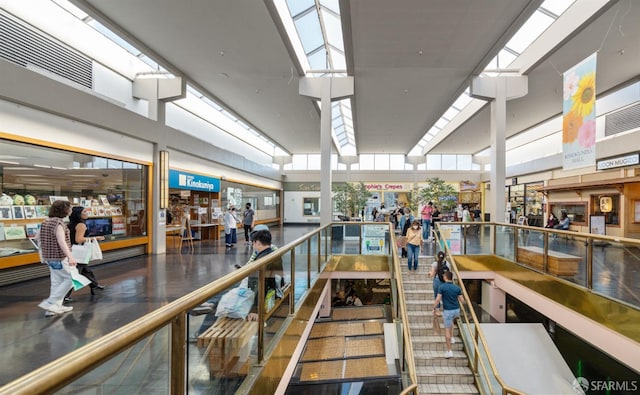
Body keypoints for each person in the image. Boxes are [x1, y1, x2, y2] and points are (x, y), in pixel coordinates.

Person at [37, 200, 77, 316]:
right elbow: (61, 241)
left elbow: (37, 237)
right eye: (70, 208)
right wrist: (70, 257)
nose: (71, 210)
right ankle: (51, 302)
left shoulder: (45, 222)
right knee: (71, 279)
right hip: (60, 257)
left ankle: (54, 308)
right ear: (64, 210)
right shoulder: (58, 223)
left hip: (49, 257)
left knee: (56, 282)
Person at [64, 207, 105, 303]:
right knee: (75, 273)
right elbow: (79, 239)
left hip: (73, 250)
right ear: (78, 214)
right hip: (79, 252)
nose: (87, 213)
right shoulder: (81, 225)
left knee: (86, 271)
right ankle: (64, 295)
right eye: (84, 211)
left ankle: (94, 285)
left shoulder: (70, 224)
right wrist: (96, 238)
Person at [433, 271, 464, 358]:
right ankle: (452, 337)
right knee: (451, 323)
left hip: (448, 310)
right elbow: (462, 300)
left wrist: (434, 307)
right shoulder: (457, 288)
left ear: (445, 277)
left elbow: (438, 299)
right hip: (456, 310)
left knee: (447, 330)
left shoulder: (442, 287)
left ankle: (449, 351)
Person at [429, 251, 450, 316]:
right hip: (445, 281)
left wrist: (429, 274)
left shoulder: (435, 263)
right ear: (444, 257)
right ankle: (446, 309)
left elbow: (432, 274)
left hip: (437, 281)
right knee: (445, 295)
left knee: (437, 295)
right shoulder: (447, 264)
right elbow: (449, 274)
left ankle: (437, 310)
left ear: (437, 256)